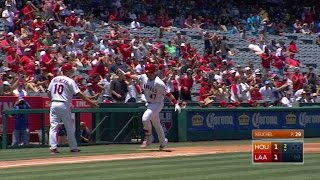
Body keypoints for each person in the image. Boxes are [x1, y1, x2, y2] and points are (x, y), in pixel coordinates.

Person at [46, 63, 98, 154]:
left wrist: (53, 101)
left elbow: (48, 93)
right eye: (71, 70)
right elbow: (79, 94)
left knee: (53, 127)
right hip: (64, 104)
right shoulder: (70, 81)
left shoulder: (54, 79)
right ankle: (73, 147)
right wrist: (90, 103)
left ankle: (53, 148)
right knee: (69, 127)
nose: (72, 72)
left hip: (54, 103)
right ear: (67, 71)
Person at [129, 63, 181, 150]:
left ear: (153, 72)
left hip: (157, 103)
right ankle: (163, 142)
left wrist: (175, 103)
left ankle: (149, 137)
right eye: (147, 72)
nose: (147, 74)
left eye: (149, 72)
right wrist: (126, 74)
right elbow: (136, 77)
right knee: (156, 124)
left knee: (145, 118)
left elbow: (168, 94)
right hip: (149, 103)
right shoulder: (144, 77)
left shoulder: (159, 83)